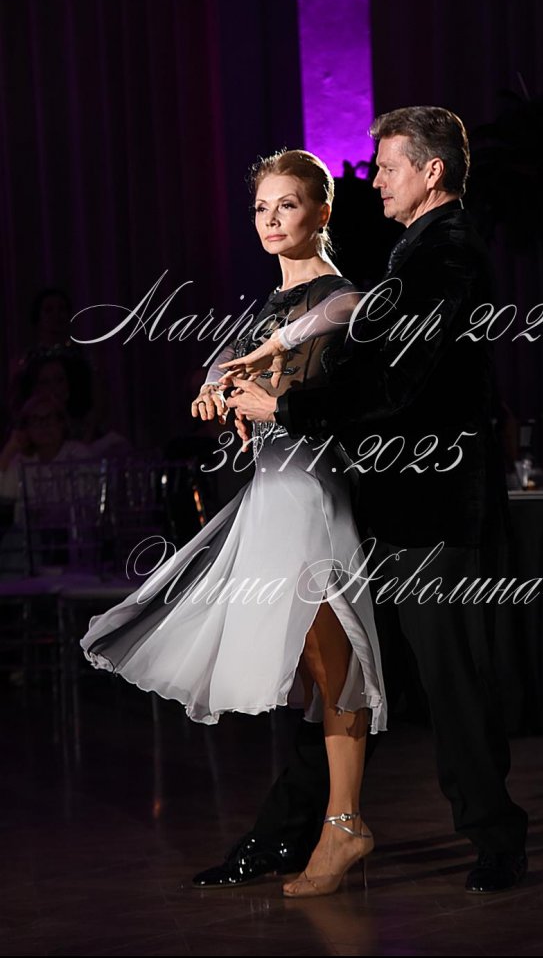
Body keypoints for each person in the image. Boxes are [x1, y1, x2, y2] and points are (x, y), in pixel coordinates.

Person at [196, 106, 529, 894]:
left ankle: (496, 838)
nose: (374, 179)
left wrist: (286, 407)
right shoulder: (416, 250)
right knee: (345, 675)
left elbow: (396, 384)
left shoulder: (446, 253)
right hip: (392, 506)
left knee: (449, 681)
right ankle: (289, 833)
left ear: (432, 171)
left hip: (434, 509)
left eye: (387, 166)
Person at [79, 149, 387, 898]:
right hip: (268, 501)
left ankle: (345, 822)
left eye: (288, 204)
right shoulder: (265, 308)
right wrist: (217, 387)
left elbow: (328, 333)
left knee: (331, 654)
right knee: (308, 666)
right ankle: (320, 823)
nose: (271, 219)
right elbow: (226, 364)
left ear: (322, 211)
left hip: (311, 495)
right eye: (260, 208)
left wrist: (255, 382)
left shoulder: (342, 297)